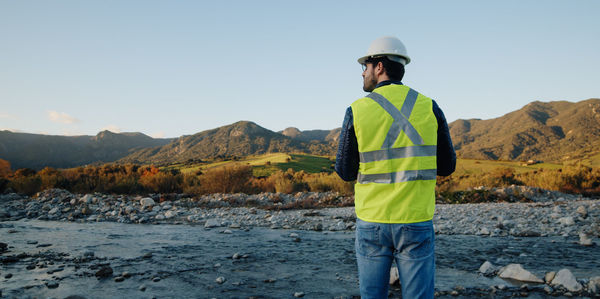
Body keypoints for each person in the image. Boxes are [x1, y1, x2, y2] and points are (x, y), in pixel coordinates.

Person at [335, 36, 456, 299]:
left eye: (365, 66)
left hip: (372, 221)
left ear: (379, 66)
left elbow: (344, 171)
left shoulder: (357, 110)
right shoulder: (429, 106)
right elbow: (447, 166)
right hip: (415, 220)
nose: (363, 73)